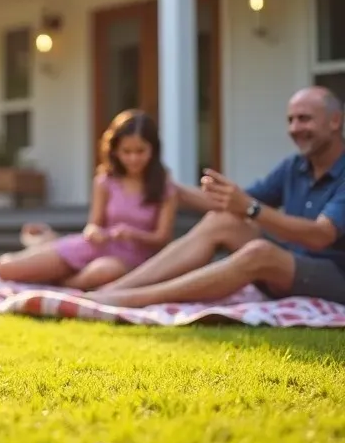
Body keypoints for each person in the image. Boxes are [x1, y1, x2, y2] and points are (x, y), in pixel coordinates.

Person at [88, 86, 345, 307]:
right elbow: (233, 204)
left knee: (260, 251)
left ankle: (133, 300)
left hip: (335, 275)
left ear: (335, 121)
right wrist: (169, 187)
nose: (294, 128)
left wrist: (251, 209)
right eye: (291, 120)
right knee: (221, 220)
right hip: (294, 264)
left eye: (304, 119)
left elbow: (321, 235)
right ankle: (112, 290)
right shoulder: (294, 167)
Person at [0, 110, 178, 289]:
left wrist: (133, 234)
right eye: (126, 152)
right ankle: (50, 246)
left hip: (131, 259)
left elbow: (163, 239)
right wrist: (94, 232)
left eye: (140, 151)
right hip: (94, 247)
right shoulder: (105, 181)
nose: (133, 158)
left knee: (104, 272)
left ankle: (61, 280)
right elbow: (93, 225)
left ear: (153, 150)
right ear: (115, 151)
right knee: (6, 268)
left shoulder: (165, 187)